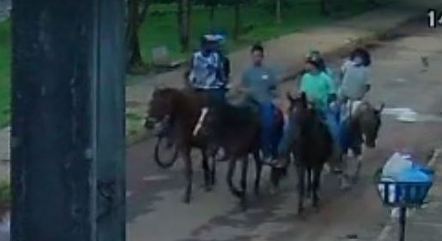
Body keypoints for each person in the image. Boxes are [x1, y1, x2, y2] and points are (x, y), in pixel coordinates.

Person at [276, 57, 335, 167]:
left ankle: (334, 159)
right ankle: (283, 155)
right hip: (305, 108)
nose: (306, 66)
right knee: (289, 128)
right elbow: (302, 93)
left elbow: (332, 94)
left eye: (308, 64)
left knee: (334, 129)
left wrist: (320, 100)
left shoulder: (325, 78)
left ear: (314, 65)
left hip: (320, 109)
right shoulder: (305, 78)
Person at [240, 44, 281, 163]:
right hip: (249, 101)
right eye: (254, 56)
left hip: (264, 101)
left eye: (258, 56)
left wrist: (276, 98)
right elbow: (242, 87)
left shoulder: (268, 72)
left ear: (262, 57)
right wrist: (244, 90)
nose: (256, 58)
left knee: (268, 123)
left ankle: (267, 152)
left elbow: (274, 89)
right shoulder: (247, 72)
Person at [187, 35, 228, 106]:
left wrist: (224, 81)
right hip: (199, 87)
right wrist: (190, 83)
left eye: (214, 43)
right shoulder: (196, 56)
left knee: (221, 104)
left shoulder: (216, 56)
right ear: (205, 45)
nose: (214, 45)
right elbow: (190, 71)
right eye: (212, 44)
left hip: (214, 87)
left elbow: (220, 71)